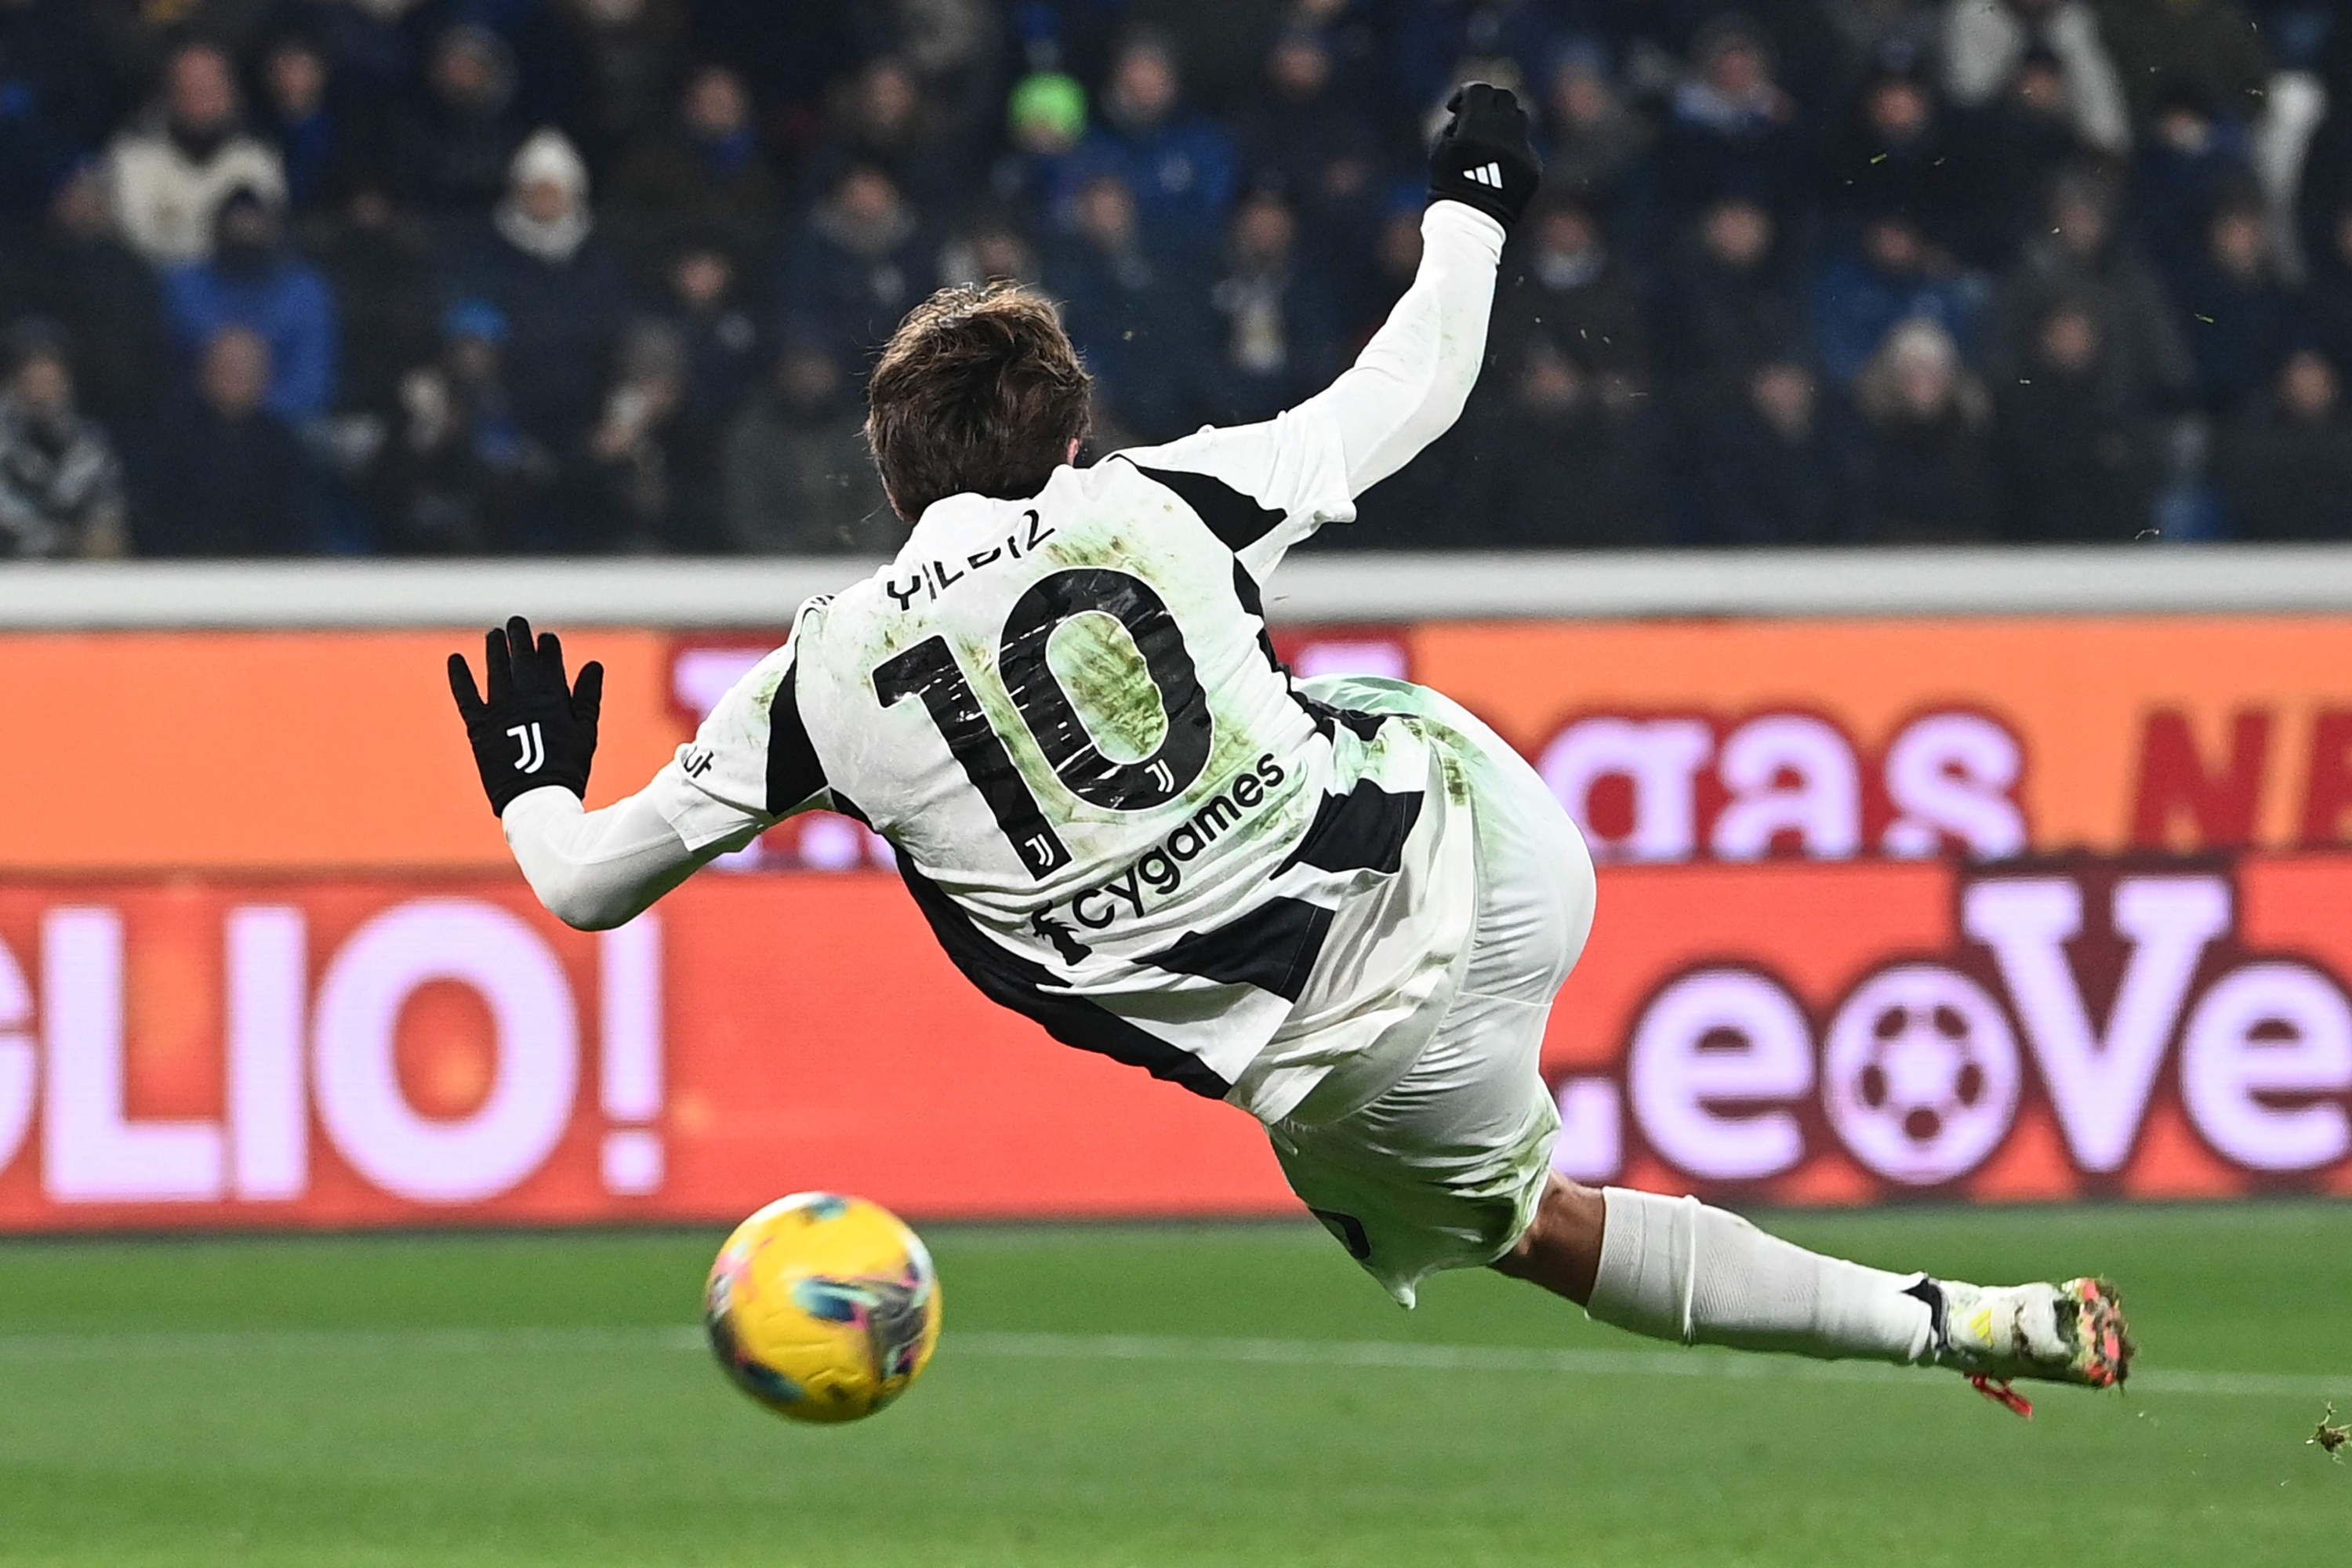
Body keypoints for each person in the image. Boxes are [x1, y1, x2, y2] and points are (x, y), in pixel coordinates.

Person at [444, 86, 2132, 1410]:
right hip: (1506, 851)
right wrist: (1472, 196)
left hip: (1362, 1067)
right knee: (1347, 706)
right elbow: (1422, 380)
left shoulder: (822, 679)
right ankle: (1974, 1309)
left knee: (1537, 1231)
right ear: (1071, 433)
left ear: (891, 479)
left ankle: (1947, 1324)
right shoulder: (1156, 498)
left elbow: (585, 882)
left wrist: (531, 774)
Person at [105, 38, 287, 265]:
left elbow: (262, 239)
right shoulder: (132, 156)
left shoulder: (257, 158)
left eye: (210, 86)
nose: (199, 97)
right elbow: (138, 241)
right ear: (168, 92)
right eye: (188, 86)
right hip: (153, 290)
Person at [0, 325, 126, 557]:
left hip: (72, 580)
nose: (42, 385)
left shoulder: (89, 448)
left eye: (50, 374)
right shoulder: (5, 443)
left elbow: (105, 520)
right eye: (32, 373)